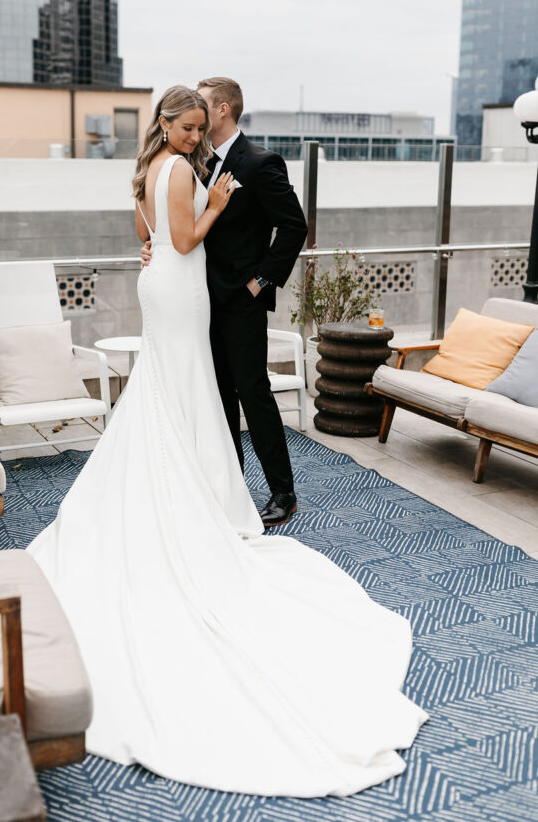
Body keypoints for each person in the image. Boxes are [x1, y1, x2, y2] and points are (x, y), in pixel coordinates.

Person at [27, 85, 427, 798]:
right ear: (171, 123)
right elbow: (180, 236)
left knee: (223, 398)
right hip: (183, 290)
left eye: (200, 120)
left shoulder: (192, 162)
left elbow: (276, 227)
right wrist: (208, 209)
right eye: (185, 123)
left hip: (210, 294)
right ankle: (205, 492)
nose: (194, 131)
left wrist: (253, 278)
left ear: (220, 112)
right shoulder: (183, 165)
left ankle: (259, 487)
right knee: (194, 395)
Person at [141, 77, 307, 527]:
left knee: (253, 392)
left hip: (241, 300)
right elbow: (179, 222)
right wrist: (155, 246)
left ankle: (282, 492)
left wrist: (261, 282)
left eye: (204, 108)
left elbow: (294, 227)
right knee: (216, 397)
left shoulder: (260, 163)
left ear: (223, 111)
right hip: (195, 299)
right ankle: (228, 486)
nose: (196, 117)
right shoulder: (193, 162)